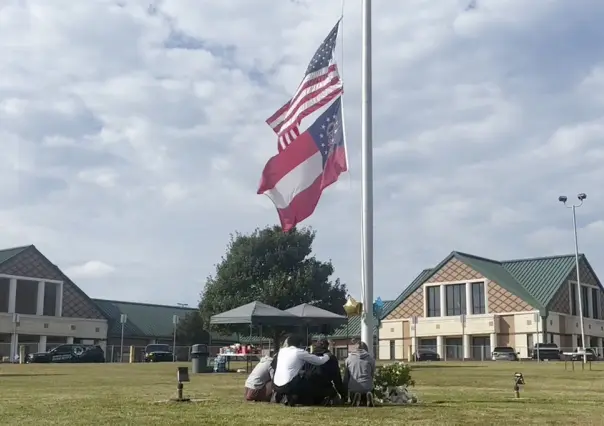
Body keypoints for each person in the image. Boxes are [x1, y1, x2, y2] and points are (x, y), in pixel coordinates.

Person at [272, 334, 330, 406]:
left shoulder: (282, 351)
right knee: (310, 380)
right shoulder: (299, 352)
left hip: (276, 385)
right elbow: (319, 361)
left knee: (299, 377)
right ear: (299, 343)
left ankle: (284, 396)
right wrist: (327, 355)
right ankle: (313, 399)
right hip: (288, 385)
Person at [303, 339, 347, 405]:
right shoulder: (331, 358)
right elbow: (337, 380)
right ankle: (327, 399)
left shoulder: (309, 357)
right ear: (326, 346)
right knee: (334, 397)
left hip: (309, 389)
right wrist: (343, 395)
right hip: (325, 389)